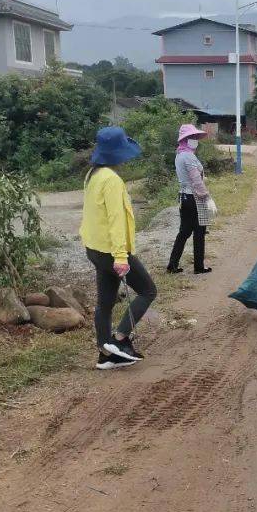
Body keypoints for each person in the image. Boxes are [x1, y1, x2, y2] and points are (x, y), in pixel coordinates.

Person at [79, 126, 158, 370]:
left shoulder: (93, 174)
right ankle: (121, 339)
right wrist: (121, 256)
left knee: (106, 302)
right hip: (111, 250)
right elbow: (115, 219)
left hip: (95, 248)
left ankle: (105, 354)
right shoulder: (112, 180)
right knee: (148, 291)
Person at [166, 124, 215, 274]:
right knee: (199, 232)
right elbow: (196, 180)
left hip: (183, 197)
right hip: (195, 197)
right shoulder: (188, 156)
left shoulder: (180, 155)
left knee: (184, 232)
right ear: (186, 139)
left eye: (195, 137)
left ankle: (172, 264)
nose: (195, 140)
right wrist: (207, 197)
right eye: (192, 137)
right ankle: (199, 266)